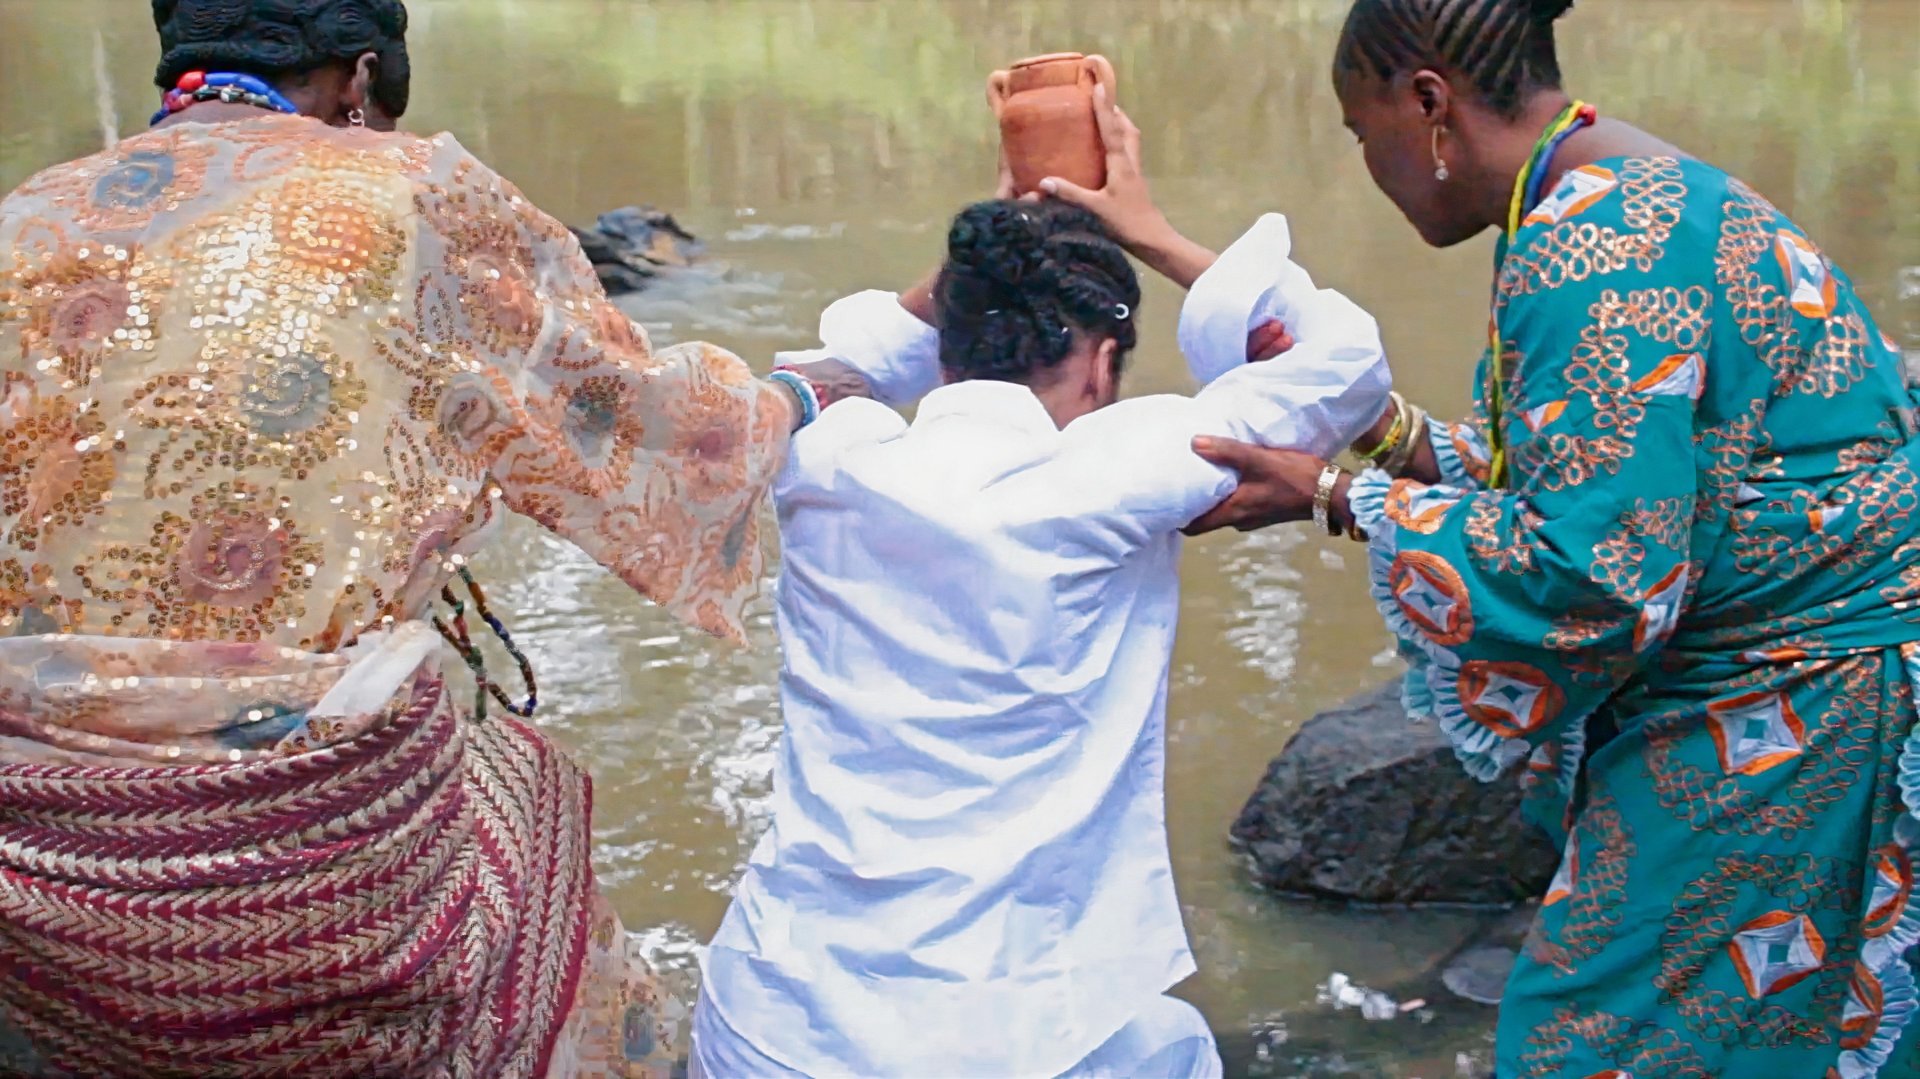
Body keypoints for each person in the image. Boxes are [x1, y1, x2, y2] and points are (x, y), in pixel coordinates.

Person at [1044, 0, 1920, 1075]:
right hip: (1804, 668)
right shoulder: (1630, 186)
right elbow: (1598, 474)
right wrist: (1371, 431)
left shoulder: (1589, 252)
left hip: (1799, 700)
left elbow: (1592, 571)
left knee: (1599, 1038)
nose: (1372, 164)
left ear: (1429, 104)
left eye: (1366, 136)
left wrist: (1334, 494)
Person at [0, 2, 815, 1076]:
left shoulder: (21, 220)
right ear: (360, 80)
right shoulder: (408, 188)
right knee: (536, 813)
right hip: (319, 898)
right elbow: (659, 435)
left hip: (37, 893)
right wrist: (797, 395)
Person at [689, 111, 1390, 1077]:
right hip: (1013, 1043)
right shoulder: (1121, 472)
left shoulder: (825, 455)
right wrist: (1144, 229)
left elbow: (821, 373)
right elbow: (1346, 361)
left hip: (767, 1023)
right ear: (1104, 363)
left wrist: (993, 252)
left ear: (952, 340)